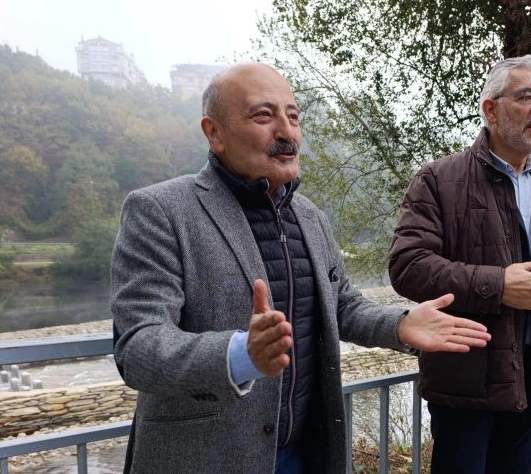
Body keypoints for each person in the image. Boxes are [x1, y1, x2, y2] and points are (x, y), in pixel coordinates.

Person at [110, 62, 492, 474]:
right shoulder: (161, 211)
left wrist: (398, 325)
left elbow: (342, 305)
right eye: (264, 115)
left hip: (306, 451)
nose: (287, 131)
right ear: (214, 133)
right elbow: (138, 348)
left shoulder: (310, 217)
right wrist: (241, 355)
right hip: (207, 458)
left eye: (293, 117)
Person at [388, 55, 531, 474]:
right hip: (466, 381)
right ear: (490, 109)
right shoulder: (437, 179)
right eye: (526, 96)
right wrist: (498, 285)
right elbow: (407, 265)